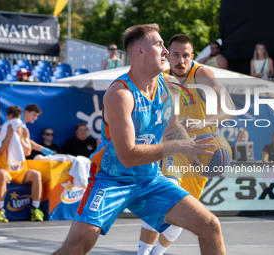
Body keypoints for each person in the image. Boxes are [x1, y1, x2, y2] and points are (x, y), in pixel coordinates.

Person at [52, 23, 226, 255]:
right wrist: (178, 146)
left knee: (210, 226)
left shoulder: (165, 85)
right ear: (140, 51)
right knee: (75, 248)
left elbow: (172, 128)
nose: (166, 51)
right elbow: (127, 156)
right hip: (112, 179)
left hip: (149, 180)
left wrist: (194, 150)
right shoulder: (120, 94)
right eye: (159, 44)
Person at [137, 34, 235, 255]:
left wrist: (202, 122)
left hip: (203, 152)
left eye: (186, 55)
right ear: (167, 55)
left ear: (192, 56)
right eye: (176, 55)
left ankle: (156, 253)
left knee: (181, 215)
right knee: (165, 195)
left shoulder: (202, 74)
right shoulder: (159, 79)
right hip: (176, 147)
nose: (181, 60)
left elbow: (228, 108)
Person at [0, 105, 45, 223]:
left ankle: (35, 209)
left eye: (17, 117)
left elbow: (28, 152)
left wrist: (17, 137)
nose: (15, 120)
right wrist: (9, 137)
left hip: (20, 170)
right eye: (13, 117)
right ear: (7, 117)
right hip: (4, 169)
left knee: (36, 174)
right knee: (3, 175)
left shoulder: (24, 130)